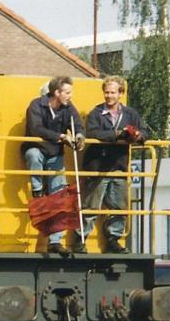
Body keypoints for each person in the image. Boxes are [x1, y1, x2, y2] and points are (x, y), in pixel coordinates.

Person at [74, 76, 146, 254]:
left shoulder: (130, 114)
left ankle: (113, 239)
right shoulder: (96, 113)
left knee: (119, 206)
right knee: (91, 205)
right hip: (98, 165)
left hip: (119, 166)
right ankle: (81, 239)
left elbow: (144, 132)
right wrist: (117, 134)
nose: (109, 96)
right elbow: (93, 132)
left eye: (113, 92)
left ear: (121, 93)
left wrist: (136, 136)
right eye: (106, 92)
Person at [22, 76, 85, 255]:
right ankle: (37, 188)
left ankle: (55, 241)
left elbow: (77, 123)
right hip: (38, 148)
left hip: (55, 154)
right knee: (33, 155)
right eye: (67, 92)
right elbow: (36, 129)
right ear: (56, 92)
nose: (70, 96)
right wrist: (61, 137)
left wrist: (79, 135)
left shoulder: (68, 108)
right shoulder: (36, 105)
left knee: (59, 197)